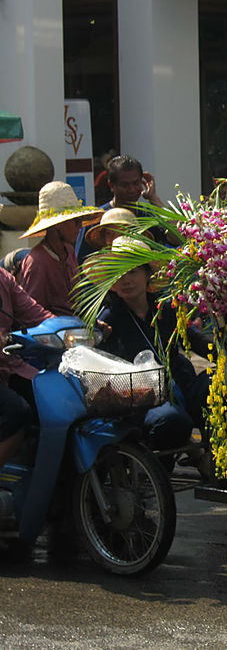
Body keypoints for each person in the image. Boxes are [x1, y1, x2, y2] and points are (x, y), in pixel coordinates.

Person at [96, 237, 208, 451]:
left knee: (216, 386)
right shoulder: (108, 321)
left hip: (180, 385)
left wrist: (225, 354)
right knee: (172, 420)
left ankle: (211, 456)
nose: (126, 280)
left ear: (147, 275)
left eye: (132, 271)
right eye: (120, 273)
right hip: (144, 400)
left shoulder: (165, 310)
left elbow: (195, 341)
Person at [19, 181, 103, 316]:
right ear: (58, 225)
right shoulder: (37, 261)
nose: (79, 227)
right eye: (76, 222)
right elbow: (30, 312)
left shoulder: (69, 251)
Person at [0, 269, 53, 472]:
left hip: (9, 365)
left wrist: (71, 329)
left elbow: (35, 314)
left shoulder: (3, 278)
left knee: (54, 401)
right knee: (16, 413)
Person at [77, 155, 167, 260]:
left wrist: (153, 198)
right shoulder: (94, 221)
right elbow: (80, 266)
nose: (132, 189)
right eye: (125, 185)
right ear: (111, 185)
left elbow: (177, 238)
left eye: (136, 183)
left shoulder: (149, 218)